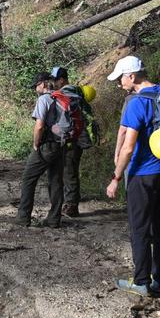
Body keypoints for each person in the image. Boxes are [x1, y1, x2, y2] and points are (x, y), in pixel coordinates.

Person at [104, 55, 160, 297]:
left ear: (131, 76)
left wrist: (116, 177)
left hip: (142, 173)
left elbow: (128, 146)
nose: (119, 83)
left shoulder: (136, 102)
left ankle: (141, 281)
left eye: (121, 78)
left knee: (140, 227)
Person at [15, 72, 65, 228]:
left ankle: (23, 217)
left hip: (46, 145)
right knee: (56, 181)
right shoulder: (62, 97)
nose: (35, 89)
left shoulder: (43, 99)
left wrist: (36, 144)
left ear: (43, 84)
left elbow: (40, 125)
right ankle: (54, 219)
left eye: (35, 86)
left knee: (28, 179)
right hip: (61, 144)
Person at [50, 66, 95, 217]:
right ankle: (70, 203)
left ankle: (71, 206)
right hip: (77, 137)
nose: (53, 83)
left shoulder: (67, 93)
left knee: (69, 171)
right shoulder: (78, 91)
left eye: (55, 80)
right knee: (70, 170)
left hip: (71, 138)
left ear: (62, 80)